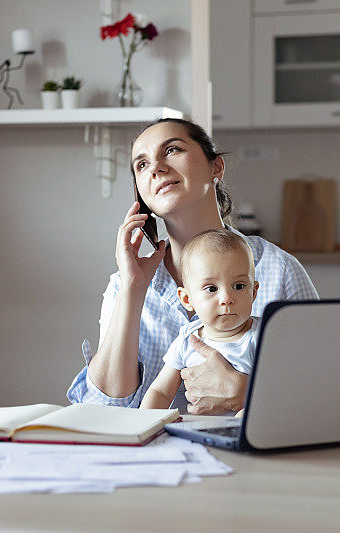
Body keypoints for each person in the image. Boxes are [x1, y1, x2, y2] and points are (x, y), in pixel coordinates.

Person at [67, 117, 318, 414]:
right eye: (142, 165)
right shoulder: (124, 285)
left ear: (216, 167)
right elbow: (103, 409)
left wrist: (250, 394)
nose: (156, 168)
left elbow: (321, 389)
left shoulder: (279, 270)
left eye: (172, 150)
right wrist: (133, 290)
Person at [140, 229, 260, 410]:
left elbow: (278, 392)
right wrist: (143, 426)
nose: (226, 298)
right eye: (211, 289)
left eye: (239, 286)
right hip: (194, 433)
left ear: (254, 292)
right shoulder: (187, 338)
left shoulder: (263, 336)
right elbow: (161, 392)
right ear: (187, 299)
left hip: (244, 434)